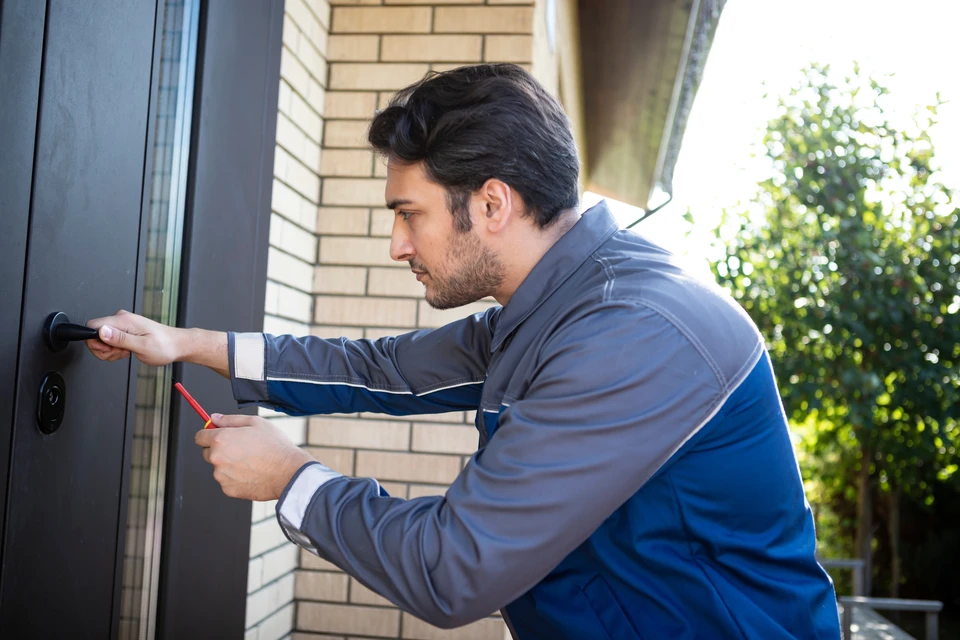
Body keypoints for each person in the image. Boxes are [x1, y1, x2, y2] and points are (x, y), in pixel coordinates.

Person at [87, 64, 841, 639]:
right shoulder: (554, 305)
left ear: (491, 203)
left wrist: (292, 480)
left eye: (409, 215)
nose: (395, 244)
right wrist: (185, 344)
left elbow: (456, 565)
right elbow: (381, 372)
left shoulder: (631, 333)